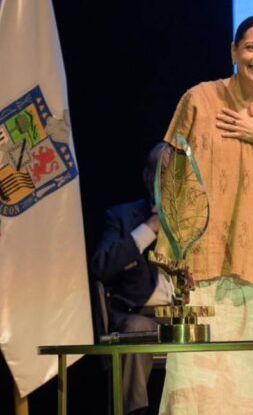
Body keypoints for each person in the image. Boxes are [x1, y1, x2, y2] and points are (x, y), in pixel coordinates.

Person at [155, 14, 253, 414]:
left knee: (250, 377)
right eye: (252, 47)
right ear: (233, 50)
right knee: (195, 378)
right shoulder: (199, 99)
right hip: (201, 261)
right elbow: (171, 180)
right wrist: (174, 255)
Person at [91, 143, 173, 415]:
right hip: (138, 314)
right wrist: (149, 229)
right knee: (138, 330)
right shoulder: (122, 217)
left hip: (186, 316)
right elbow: (101, 267)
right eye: (166, 174)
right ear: (150, 178)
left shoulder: (200, 220)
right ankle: (132, 412)